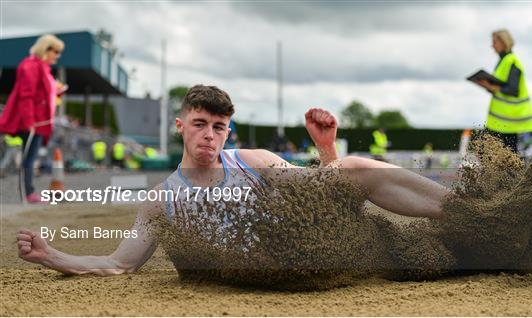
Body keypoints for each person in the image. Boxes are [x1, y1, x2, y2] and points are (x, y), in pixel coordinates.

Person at [16, 85, 449, 275]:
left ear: (228, 130)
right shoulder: (160, 200)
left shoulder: (254, 162)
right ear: (181, 126)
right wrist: (52, 255)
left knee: (354, 165)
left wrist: (327, 150)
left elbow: (328, 193)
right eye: (201, 123)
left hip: (303, 250)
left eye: (219, 126)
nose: (210, 134)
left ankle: (473, 211)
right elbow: (119, 263)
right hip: (260, 273)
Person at [0, 34, 64, 203]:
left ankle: (28, 192)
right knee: (28, 159)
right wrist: (29, 122)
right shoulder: (30, 66)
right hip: (30, 124)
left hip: (38, 124)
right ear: (46, 49)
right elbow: (26, 96)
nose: (57, 56)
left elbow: (40, 95)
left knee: (29, 159)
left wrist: (56, 91)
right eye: (55, 51)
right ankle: (28, 193)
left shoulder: (42, 68)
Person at [473, 29, 532, 153]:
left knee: (501, 155)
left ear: (504, 42)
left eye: (495, 42)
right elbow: (501, 88)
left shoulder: (511, 61)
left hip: (509, 119)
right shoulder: (503, 61)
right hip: (500, 120)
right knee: (493, 152)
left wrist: (491, 87)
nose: (492, 46)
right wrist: (487, 86)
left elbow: (513, 90)